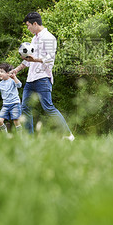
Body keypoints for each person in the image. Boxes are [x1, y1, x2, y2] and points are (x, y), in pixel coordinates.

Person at [10, 12, 75, 140]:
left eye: (28, 25)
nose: (28, 28)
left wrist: (35, 60)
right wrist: (17, 69)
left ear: (35, 24)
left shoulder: (49, 38)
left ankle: (68, 135)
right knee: (25, 108)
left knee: (48, 107)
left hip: (43, 78)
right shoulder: (34, 39)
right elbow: (29, 59)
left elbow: (50, 59)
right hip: (31, 79)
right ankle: (30, 138)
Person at [0, 62, 23, 134]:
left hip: (15, 103)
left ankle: (20, 137)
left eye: (2, 72)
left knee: (16, 121)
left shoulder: (12, 80)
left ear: (8, 73)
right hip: (5, 105)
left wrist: (14, 77)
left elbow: (19, 85)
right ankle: (5, 136)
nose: (0, 74)